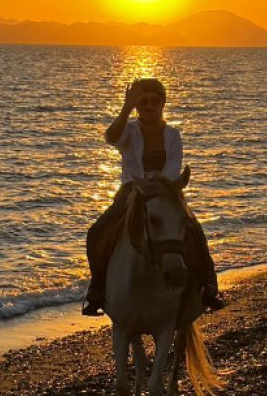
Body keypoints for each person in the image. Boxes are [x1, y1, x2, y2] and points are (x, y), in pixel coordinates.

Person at [82, 78, 224, 317]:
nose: (149, 105)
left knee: (195, 232)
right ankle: (97, 289)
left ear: (162, 103)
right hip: (131, 192)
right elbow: (111, 138)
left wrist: (157, 186)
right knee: (98, 231)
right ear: (137, 105)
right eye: (143, 101)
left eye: (154, 101)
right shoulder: (129, 131)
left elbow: (174, 165)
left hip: (166, 192)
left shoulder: (172, 135)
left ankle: (208, 287)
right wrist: (126, 108)